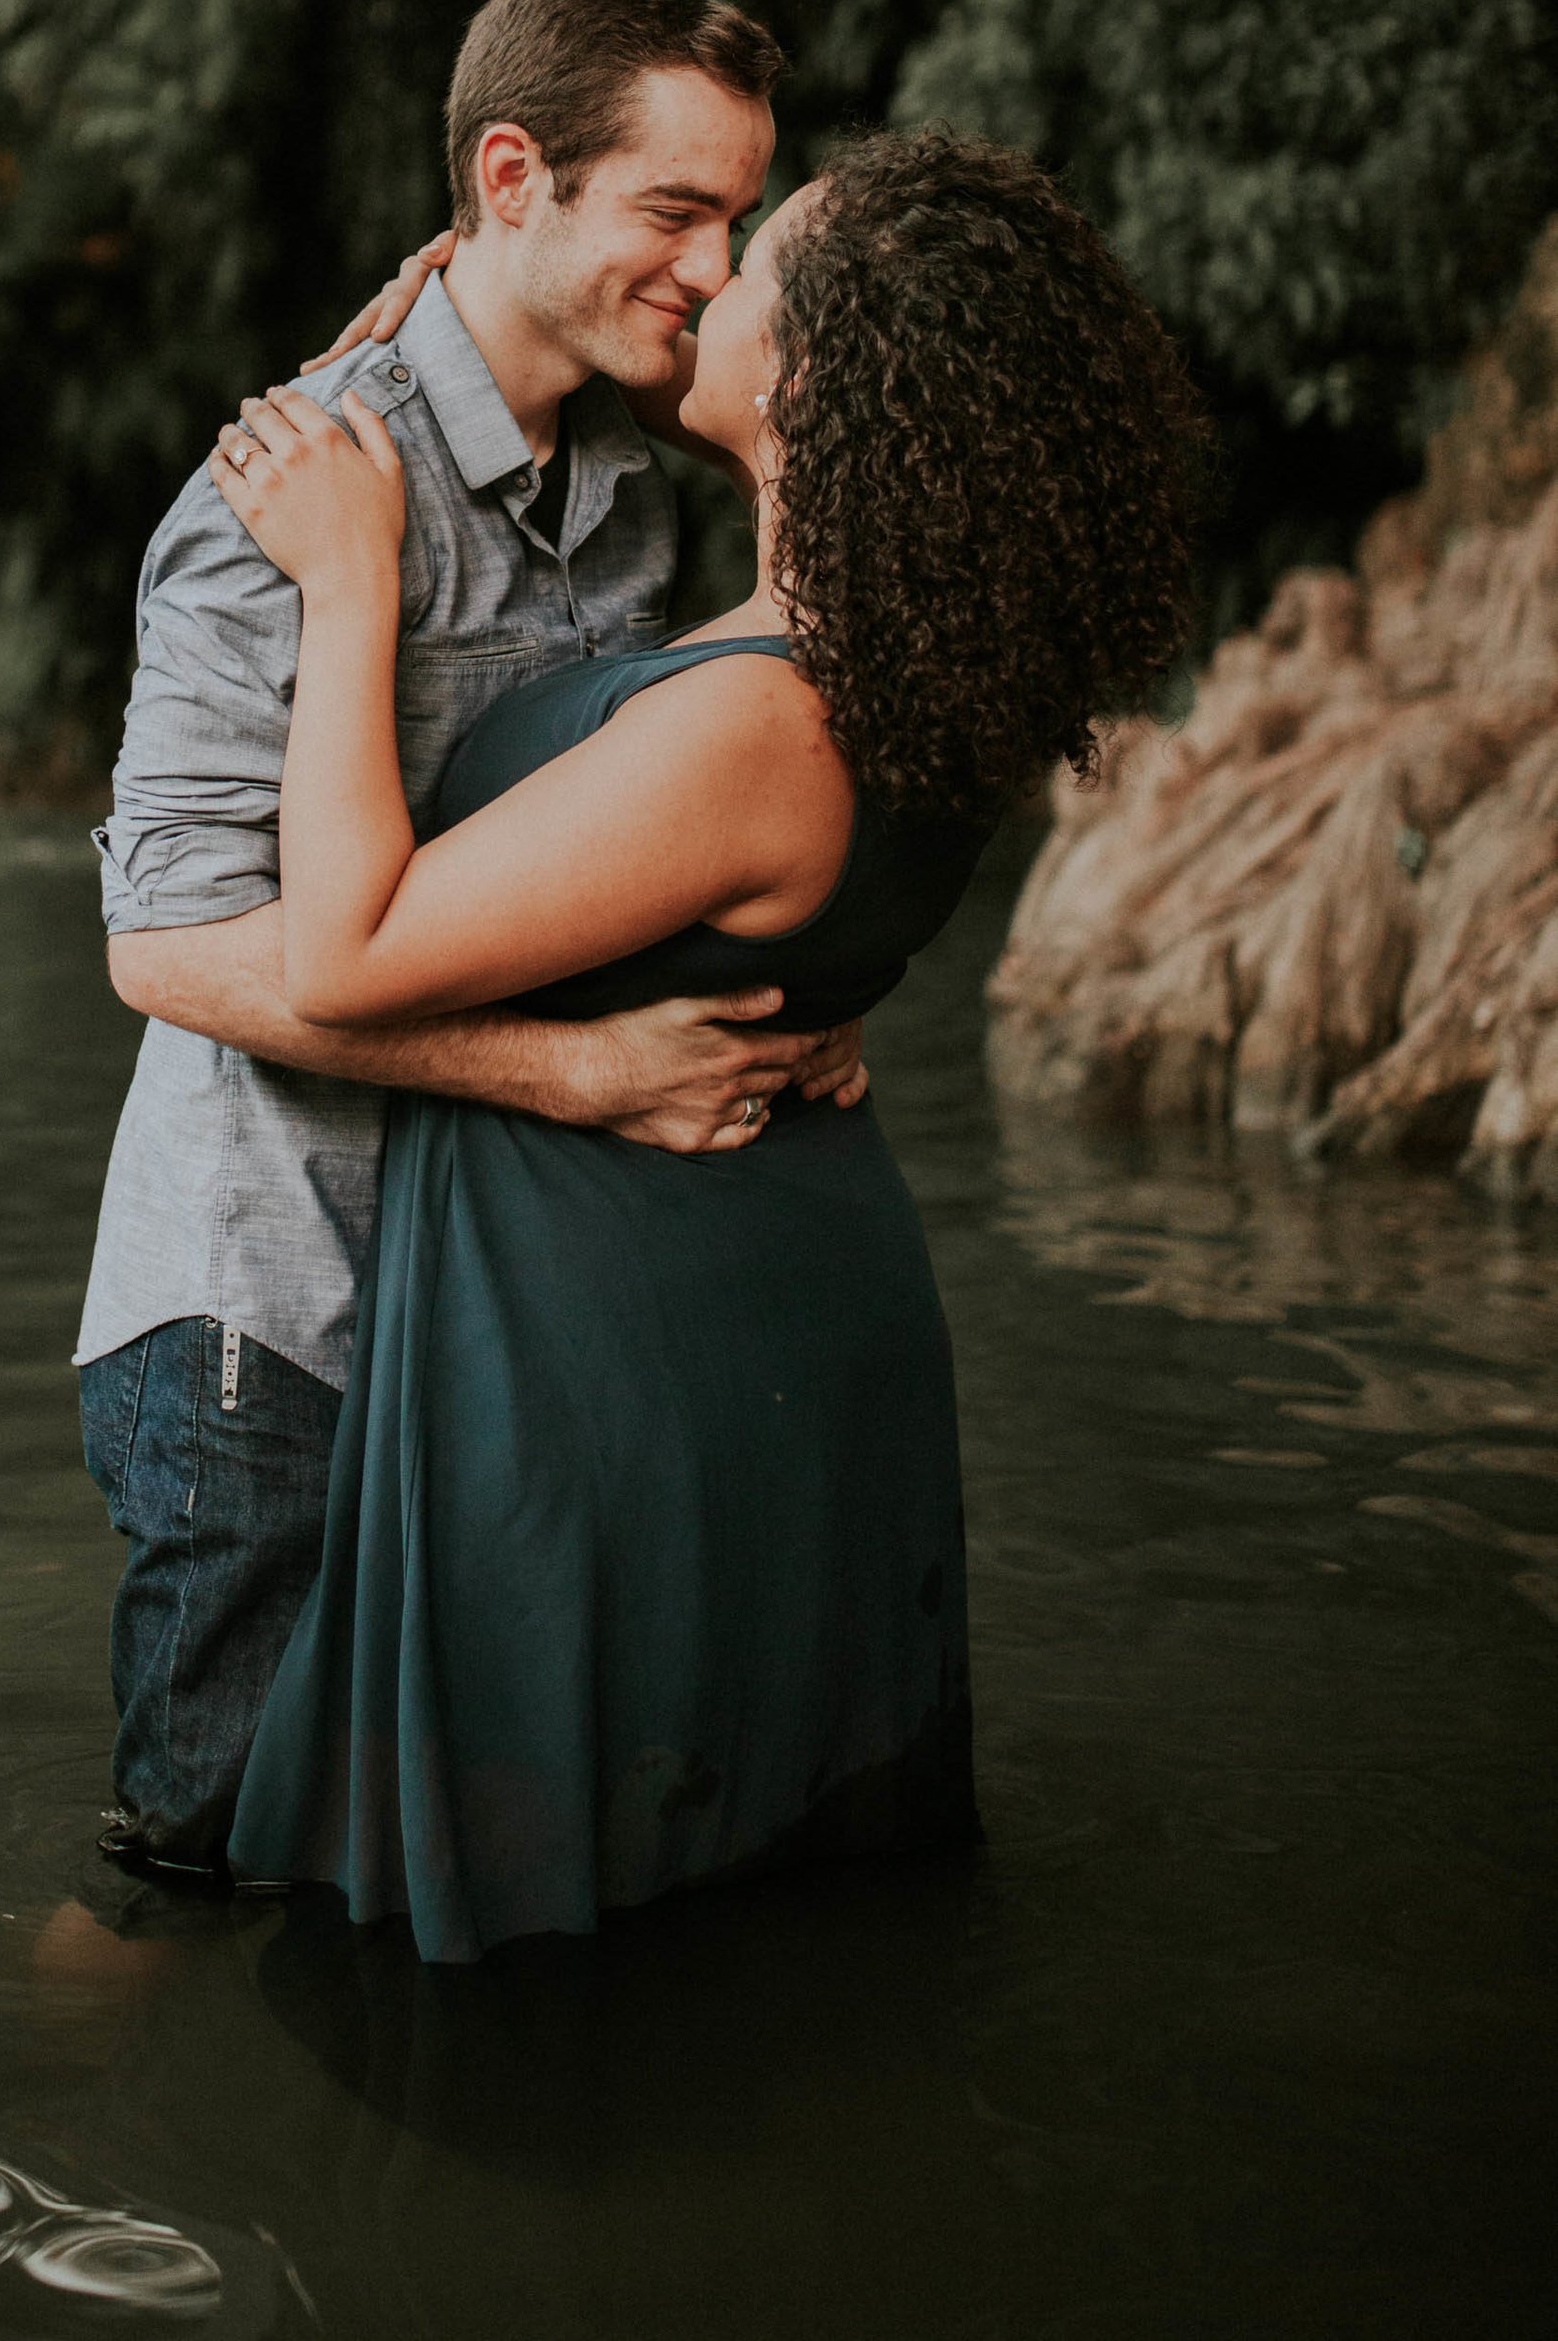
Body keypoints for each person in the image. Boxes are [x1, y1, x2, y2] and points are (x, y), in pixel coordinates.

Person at [206, 128, 1205, 1961]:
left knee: (558, 1891)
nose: (709, 278)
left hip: (612, 1325)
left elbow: (345, 955)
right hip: (770, 1276)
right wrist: (455, 318)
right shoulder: (914, 674)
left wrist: (352, 581)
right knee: (751, 1899)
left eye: (754, 264)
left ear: (813, 372)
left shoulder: (765, 721)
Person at [82, 0, 875, 1885]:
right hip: (269, 1312)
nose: (710, 264)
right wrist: (576, 1074)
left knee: (430, 1850)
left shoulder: (631, 467)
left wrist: (792, 991)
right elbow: (161, 947)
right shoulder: (285, 494)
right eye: (674, 210)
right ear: (512, 178)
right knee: (210, 1862)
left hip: (491, 1306)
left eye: (737, 219)